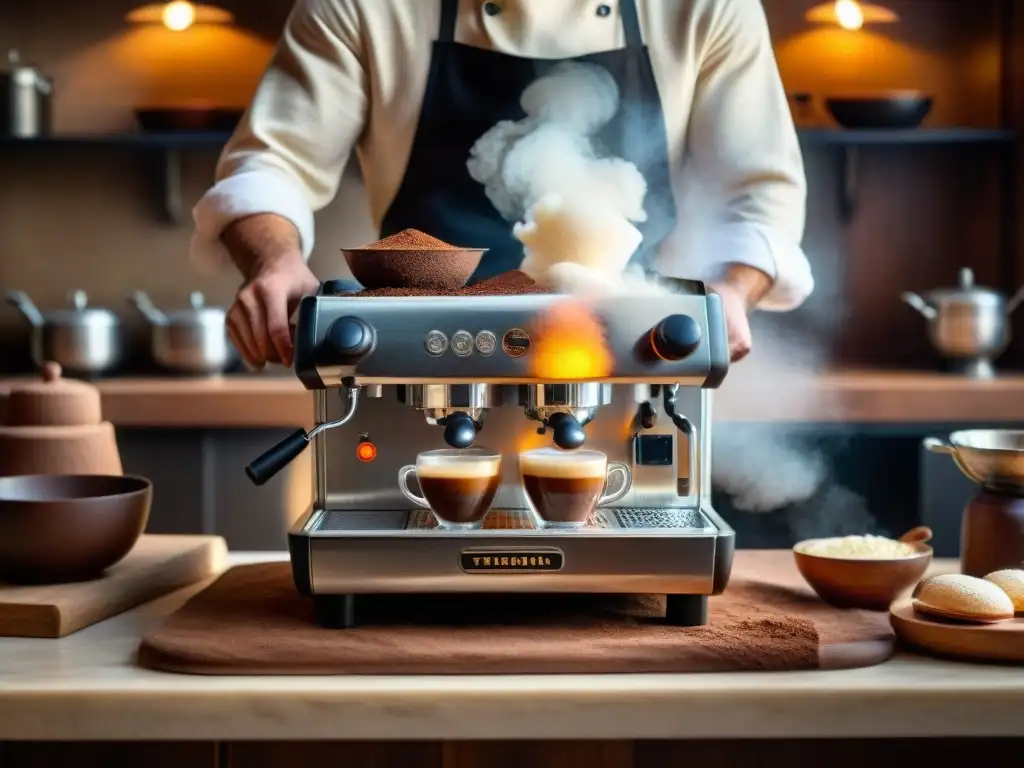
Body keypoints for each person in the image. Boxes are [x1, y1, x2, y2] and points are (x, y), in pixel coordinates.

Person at [191, 0, 813, 370]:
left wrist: (732, 291)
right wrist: (274, 262)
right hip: (420, 360)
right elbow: (270, 164)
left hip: (628, 353)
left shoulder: (708, 7)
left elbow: (757, 195)